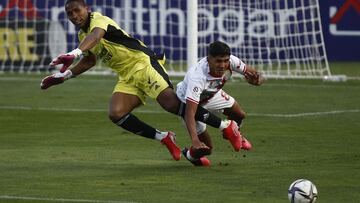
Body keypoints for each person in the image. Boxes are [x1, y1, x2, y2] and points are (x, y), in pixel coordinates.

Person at [40, 0, 242, 161]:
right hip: (127, 76)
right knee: (116, 113)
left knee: (171, 104)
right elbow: (90, 59)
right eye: (70, 14)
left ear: (87, 8)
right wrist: (63, 76)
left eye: (77, 10)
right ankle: (164, 138)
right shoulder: (82, 34)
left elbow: (96, 35)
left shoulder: (98, 20)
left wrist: (73, 53)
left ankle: (226, 126)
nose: (75, 16)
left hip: (143, 64)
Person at [176, 41, 264, 166]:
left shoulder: (232, 61)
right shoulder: (198, 77)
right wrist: (195, 140)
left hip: (212, 95)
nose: (222, 65)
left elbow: (257, 75)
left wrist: (258, 80)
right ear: (208, 59)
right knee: (207, 148)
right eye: (218, 61)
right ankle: (190, 155)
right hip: (187, 102)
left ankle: (234, 133)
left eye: (225, 60)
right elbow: (190, 113)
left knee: (239, 115)